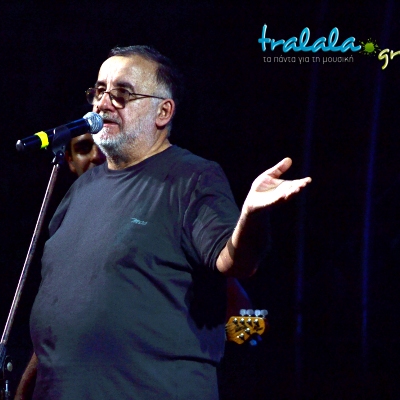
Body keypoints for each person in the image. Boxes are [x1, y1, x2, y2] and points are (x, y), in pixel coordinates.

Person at [17, 45, 311, 399]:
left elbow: (235, 262)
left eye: (122, 93)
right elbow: (57, 312)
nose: (103, 103)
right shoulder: (79, 191)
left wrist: (252, 215)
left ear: (163, 112)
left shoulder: (191, 178)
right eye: (99, 91)